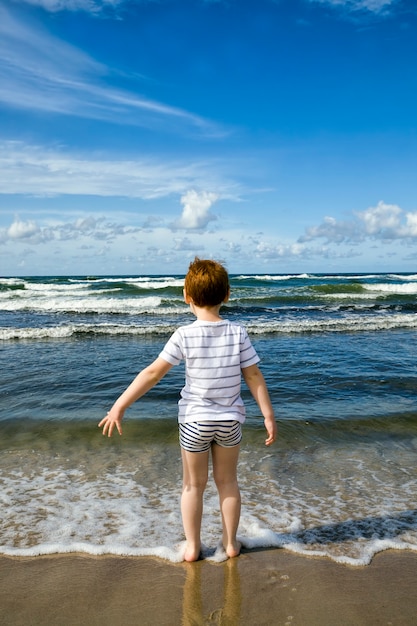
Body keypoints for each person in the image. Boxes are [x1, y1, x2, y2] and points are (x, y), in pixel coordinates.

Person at [98, 257, 277, 562]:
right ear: (227, 295)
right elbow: (254, 376)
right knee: (228, 483)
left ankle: (193, 547)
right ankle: (231, 543)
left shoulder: (184, 334)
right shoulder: (238, 332)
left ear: (187, 297)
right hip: (230, 422)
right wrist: (268, 415)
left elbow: (153, 373)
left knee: (193, 485)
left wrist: (119, 406)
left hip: (194, 422)